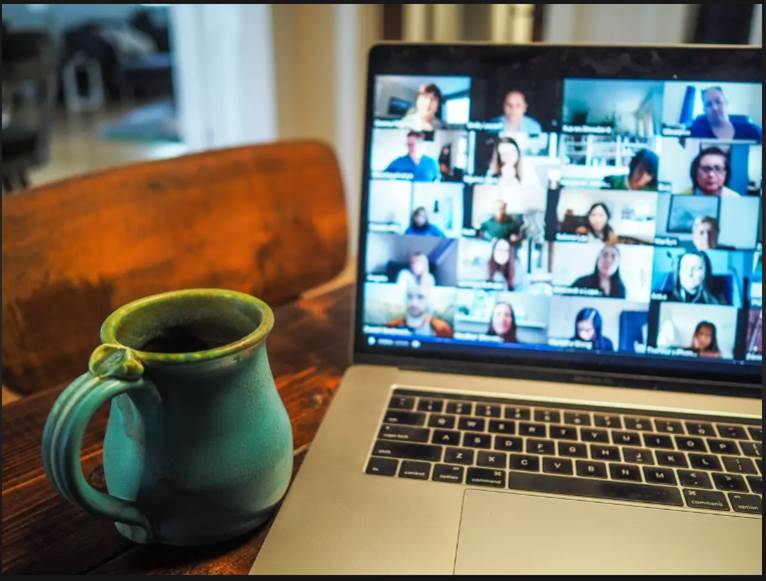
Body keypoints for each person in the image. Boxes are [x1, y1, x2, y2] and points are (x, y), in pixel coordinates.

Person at [689, 86, 762, 142]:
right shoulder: (698, 133)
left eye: (718, 102)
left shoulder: (752, 130)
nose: (715, 108)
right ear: (704, 110)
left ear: (726, 104)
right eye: (709, 104)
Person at [386, 283, 453, 338]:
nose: (413, 303)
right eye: (409, 296)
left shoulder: (443, 329)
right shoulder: (392, 326)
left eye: (420, 297)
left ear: (428, 301)